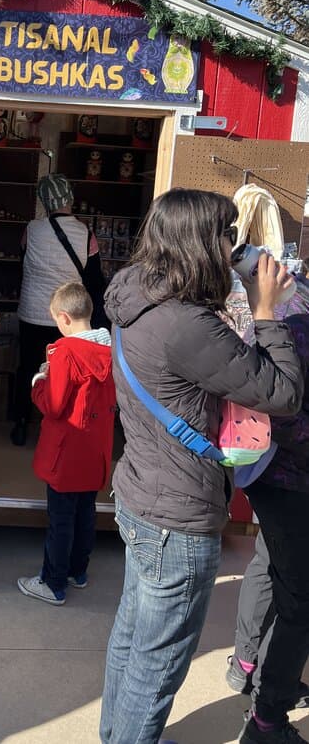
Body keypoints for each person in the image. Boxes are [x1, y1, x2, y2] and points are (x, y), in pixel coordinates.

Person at [99, 188, 303, 744]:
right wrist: (266, 312)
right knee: (159, 662)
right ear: (196, 241)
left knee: (132, 636)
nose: (229, 244)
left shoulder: (132, 289)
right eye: (222, 233)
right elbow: (282, 394)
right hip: (178, 515)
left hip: (142, 492)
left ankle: (116, 734)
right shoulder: (187, 325)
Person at [224, 280, 309, 742]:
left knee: (272, 567)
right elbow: (282, 411)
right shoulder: (294, 324)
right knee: (299, 602)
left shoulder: (291, 314)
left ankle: (249, 667)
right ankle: (266, 719)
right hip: (288, 480)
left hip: (278, 478)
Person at [17, 282, 115, 606]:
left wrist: (39, 381)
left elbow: (55, 406)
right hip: (94, 451)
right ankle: (78, 571)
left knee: (60, 521)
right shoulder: (110, 351)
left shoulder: (65, 352)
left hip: (65, 453)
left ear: (64, 318)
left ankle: (53, 582)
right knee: (85, 514)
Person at [11, 173, 107, 447]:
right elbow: (94, 279)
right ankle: (60, 423)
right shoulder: (86, 233)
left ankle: (20, 424)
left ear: (43, 200)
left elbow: (23, 260)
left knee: (28, 366)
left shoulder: (31, 229)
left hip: (32, 311)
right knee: (64, 370)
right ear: (70, 198)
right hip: (68, 317)